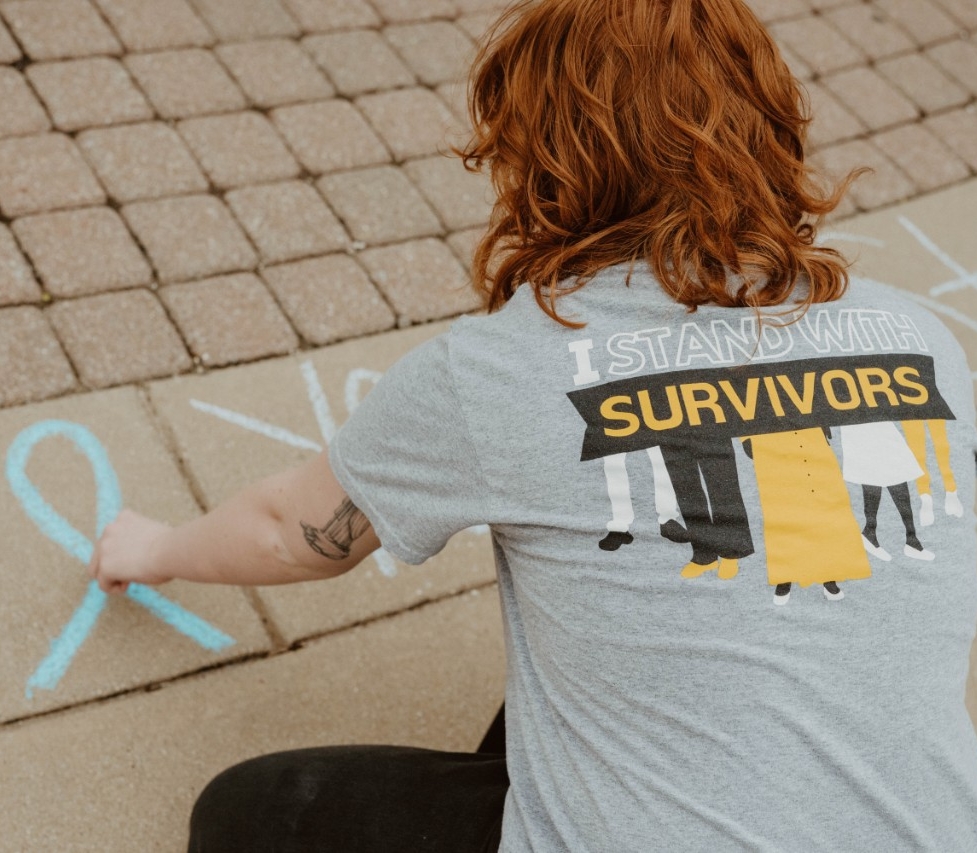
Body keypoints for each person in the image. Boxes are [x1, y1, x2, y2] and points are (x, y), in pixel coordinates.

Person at [89, 0, 977, 850]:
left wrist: (153, 547)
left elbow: (295, 533)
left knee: (249, 810)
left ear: (550, 161)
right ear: (770, 128)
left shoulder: (510, 364)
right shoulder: (920, 337)